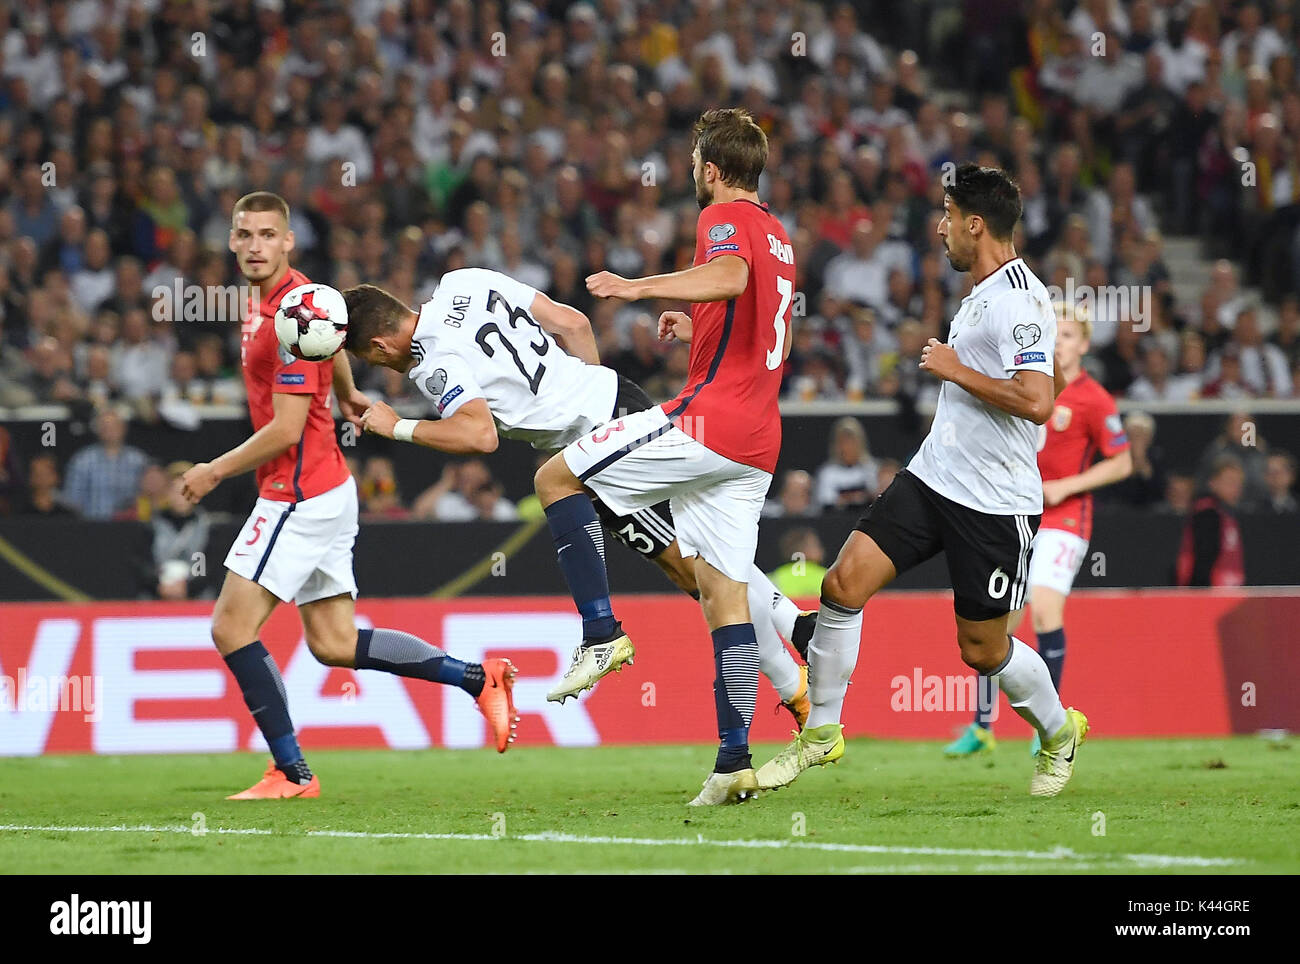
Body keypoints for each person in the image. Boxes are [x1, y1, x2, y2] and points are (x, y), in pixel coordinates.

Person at [343, 263, 813, 729]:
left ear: (380, 345)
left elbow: (479, 435)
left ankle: (606, 634)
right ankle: (796, 637)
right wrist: (589, 399)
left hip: (603, 441)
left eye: (372, 359)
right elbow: (574, 322)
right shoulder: (463, 281)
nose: (381, 365)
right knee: (698, 558)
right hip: (615, 403)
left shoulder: (430, 363)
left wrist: (399, 427)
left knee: (692, 567)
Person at [756, 164, 1089, 799]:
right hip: (933, 478)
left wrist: (955, 368)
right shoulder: (982, 292)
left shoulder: (1020, 300)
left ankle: (1057, 731)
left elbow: (1038, 400)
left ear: (975, 224)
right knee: (841, 583)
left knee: (984, 651)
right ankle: (821, 732)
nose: (939, 229)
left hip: (995, 503)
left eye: (946, 216)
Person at [179, 191, 519, 801]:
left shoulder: (292, 312)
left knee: (231, 627)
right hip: (328, 486)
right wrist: (349, 394)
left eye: (267, 235)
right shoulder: (288, 305)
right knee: (334, 643)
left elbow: (285, 428)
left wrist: (212, 471)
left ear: (288, 242)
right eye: (244, 235)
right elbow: (331, 342)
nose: (255, 246)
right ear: (231, 242)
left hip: (297, 491)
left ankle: (291, 771)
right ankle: (477, 678)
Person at [532, 108, 797, 804]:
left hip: (710, 423)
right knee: (724, 597)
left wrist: (637, 286)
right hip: (758, 441)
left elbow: (730, 278)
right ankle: (734, 762)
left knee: (556, 475)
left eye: (694, 166)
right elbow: (770, 333)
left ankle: (601, 633)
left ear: (710, 170)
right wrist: (697, 328)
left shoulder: (724, 218)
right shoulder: (781, 236)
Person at [946, 302, 1131, 757]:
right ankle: (983, 726)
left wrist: (1068, 485)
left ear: (1084, 345)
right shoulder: (1028, 386)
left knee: (1045, 610)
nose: (1060, 343)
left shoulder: (1094, 398)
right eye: (1056, 335)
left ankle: (1047, 726)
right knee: (997, 622)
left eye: (1069, 336)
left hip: (1065, 519)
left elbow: (1123, 462)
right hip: (1016, 511)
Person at [61, 407, 149, 519]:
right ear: (97, 430)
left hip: (130, 527)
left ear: (124, 428)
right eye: (104, 426)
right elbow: (72, 500)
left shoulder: (138, 460)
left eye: (114, 426)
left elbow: (147, 496)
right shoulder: (82, 460)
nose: (109, 430)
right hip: (92, 527)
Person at [1176, 454, 1247, 587]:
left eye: (1238, 482)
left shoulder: (1228, 514)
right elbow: (1203, 558)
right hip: (1210, 593)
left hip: (1229, 591)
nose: (1236, 488)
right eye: (1230, 481)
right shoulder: (1207, 514)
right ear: (1213, 483)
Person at [815, 417, 881, 511]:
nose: (847, 447)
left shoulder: (872, 469)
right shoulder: (827, 473)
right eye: (843, 442)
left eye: (852, 442)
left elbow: (876, 496)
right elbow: (826, 501)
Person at [768, 528, 829, 602]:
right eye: (816, 545)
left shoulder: (774, 577)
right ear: (803, 549)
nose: (822, 550)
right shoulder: (827, 576)